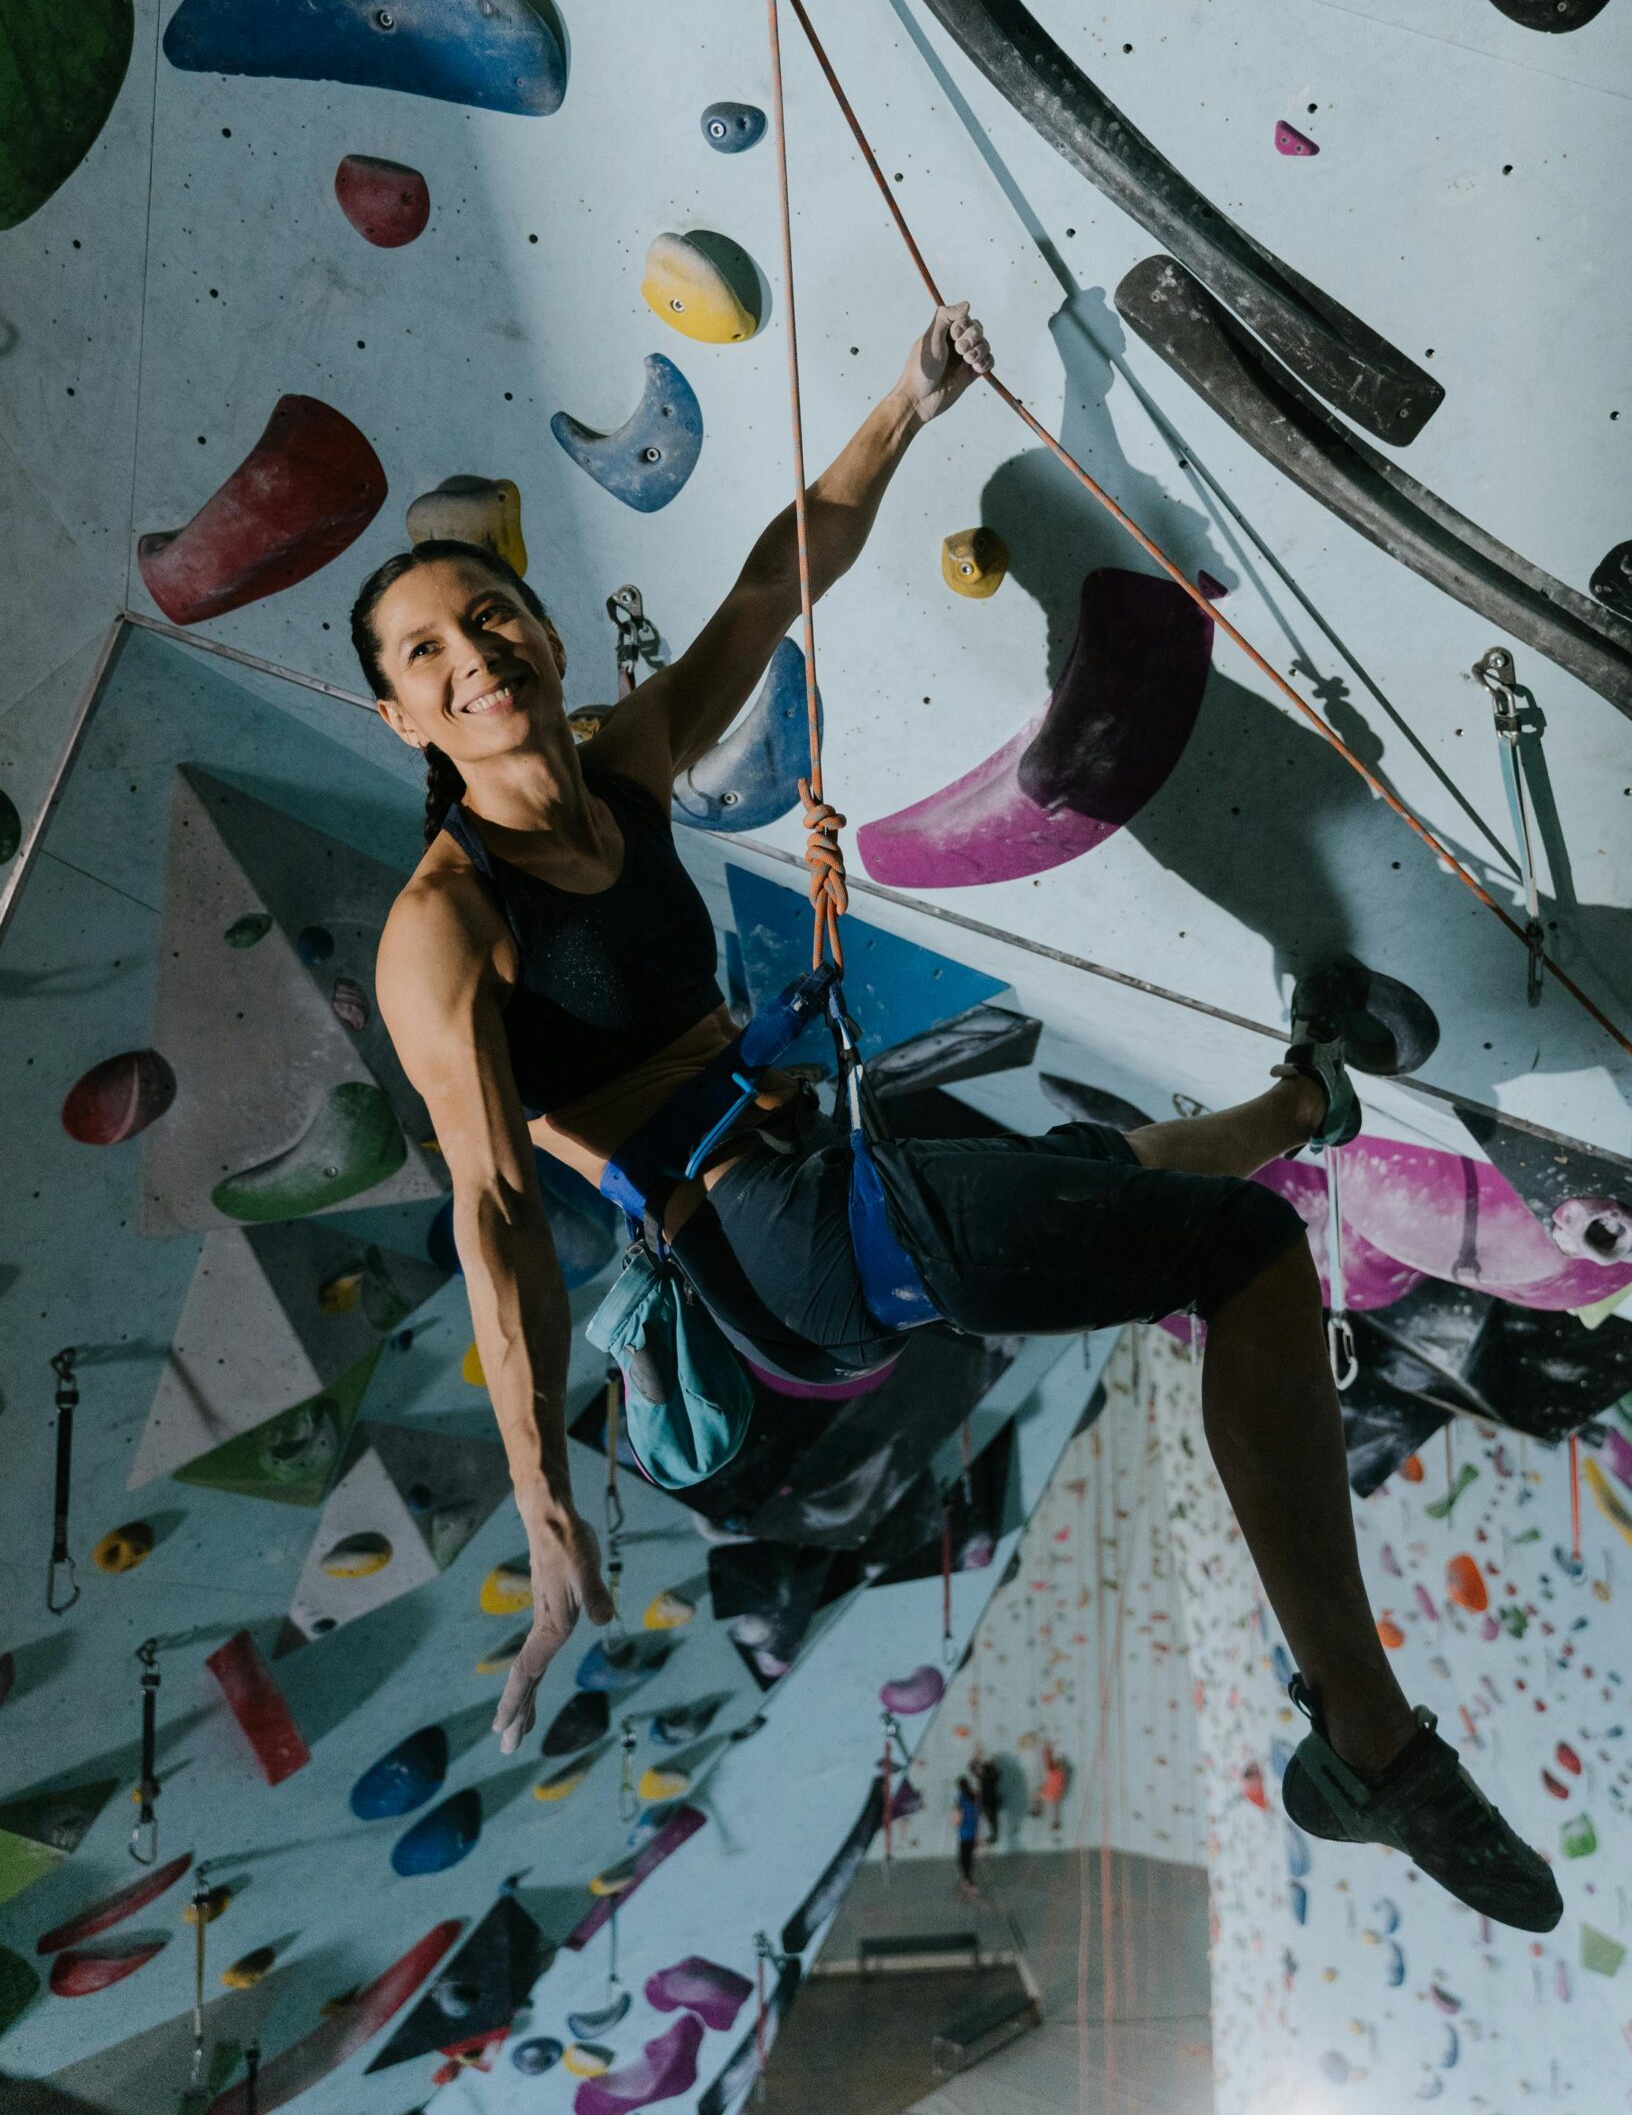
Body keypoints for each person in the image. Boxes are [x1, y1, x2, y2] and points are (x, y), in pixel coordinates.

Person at [355, 301, 1561, 1937]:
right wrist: (546, 1515)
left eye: (486, 614)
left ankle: (1303, 1090)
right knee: (1250, 1251)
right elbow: (497, 1220)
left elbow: (775, 578)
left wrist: (905, 405)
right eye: (425, 654)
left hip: (817, 1173)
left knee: (1089, 1176)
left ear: (545, 633)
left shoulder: (620, 763)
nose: (471, 654)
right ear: (404, 723)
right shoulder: (443, 927)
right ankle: (1369, 1745)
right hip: (770, 1236)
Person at [955, 1774, 982, 1898]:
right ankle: (969, 1881)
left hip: (964, 1833)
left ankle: (968, 1883)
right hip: (972, 1833)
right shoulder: (974, 1797)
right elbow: (977, 1816)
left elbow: (959, 1817)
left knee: (963, 1859)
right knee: (969, 1859)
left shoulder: (961, 1798)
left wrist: (956, 1823)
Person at [977, 1752, 1003, 1852]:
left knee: (990, 1820)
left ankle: (990, 1839)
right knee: (993, 1821)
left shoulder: (983, 1778)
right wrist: (994, 1764)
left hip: (986, 1802)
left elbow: (975, 1769)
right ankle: (992, 1838)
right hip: (992, 1802)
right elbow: (997, 1774)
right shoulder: (992, 1777)